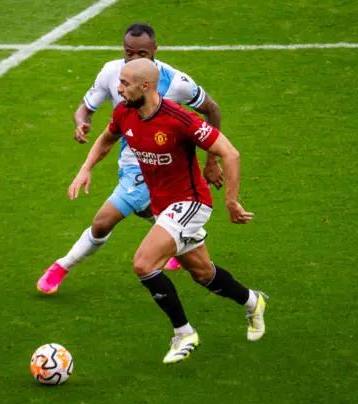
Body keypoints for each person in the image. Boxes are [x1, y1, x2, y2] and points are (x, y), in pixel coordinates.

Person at [68, 58, 269, 364]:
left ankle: (183, 333)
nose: (118, 89)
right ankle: (252, 302)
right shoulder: (125, 112)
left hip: (191, 202)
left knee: (143, 263)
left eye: (124, 84)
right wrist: (86, 168)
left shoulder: (180, 120)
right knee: (202, 273)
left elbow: (230, 152)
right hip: (165, 207)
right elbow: (107, 139)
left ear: (145, 86)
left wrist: (231, 200)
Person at [37, 22, 223, 294]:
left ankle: (61, 267)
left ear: (155, 51)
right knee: (147, 210)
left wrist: (212, 160)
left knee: (103, 221)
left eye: (142, 54)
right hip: (130, 161)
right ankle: (181, 241)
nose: (134, 59)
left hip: (160, 168)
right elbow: (85, 108)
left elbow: (212, 109)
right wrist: (81, 123)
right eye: (128, 53)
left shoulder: (176, 82)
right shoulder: (112, 73)